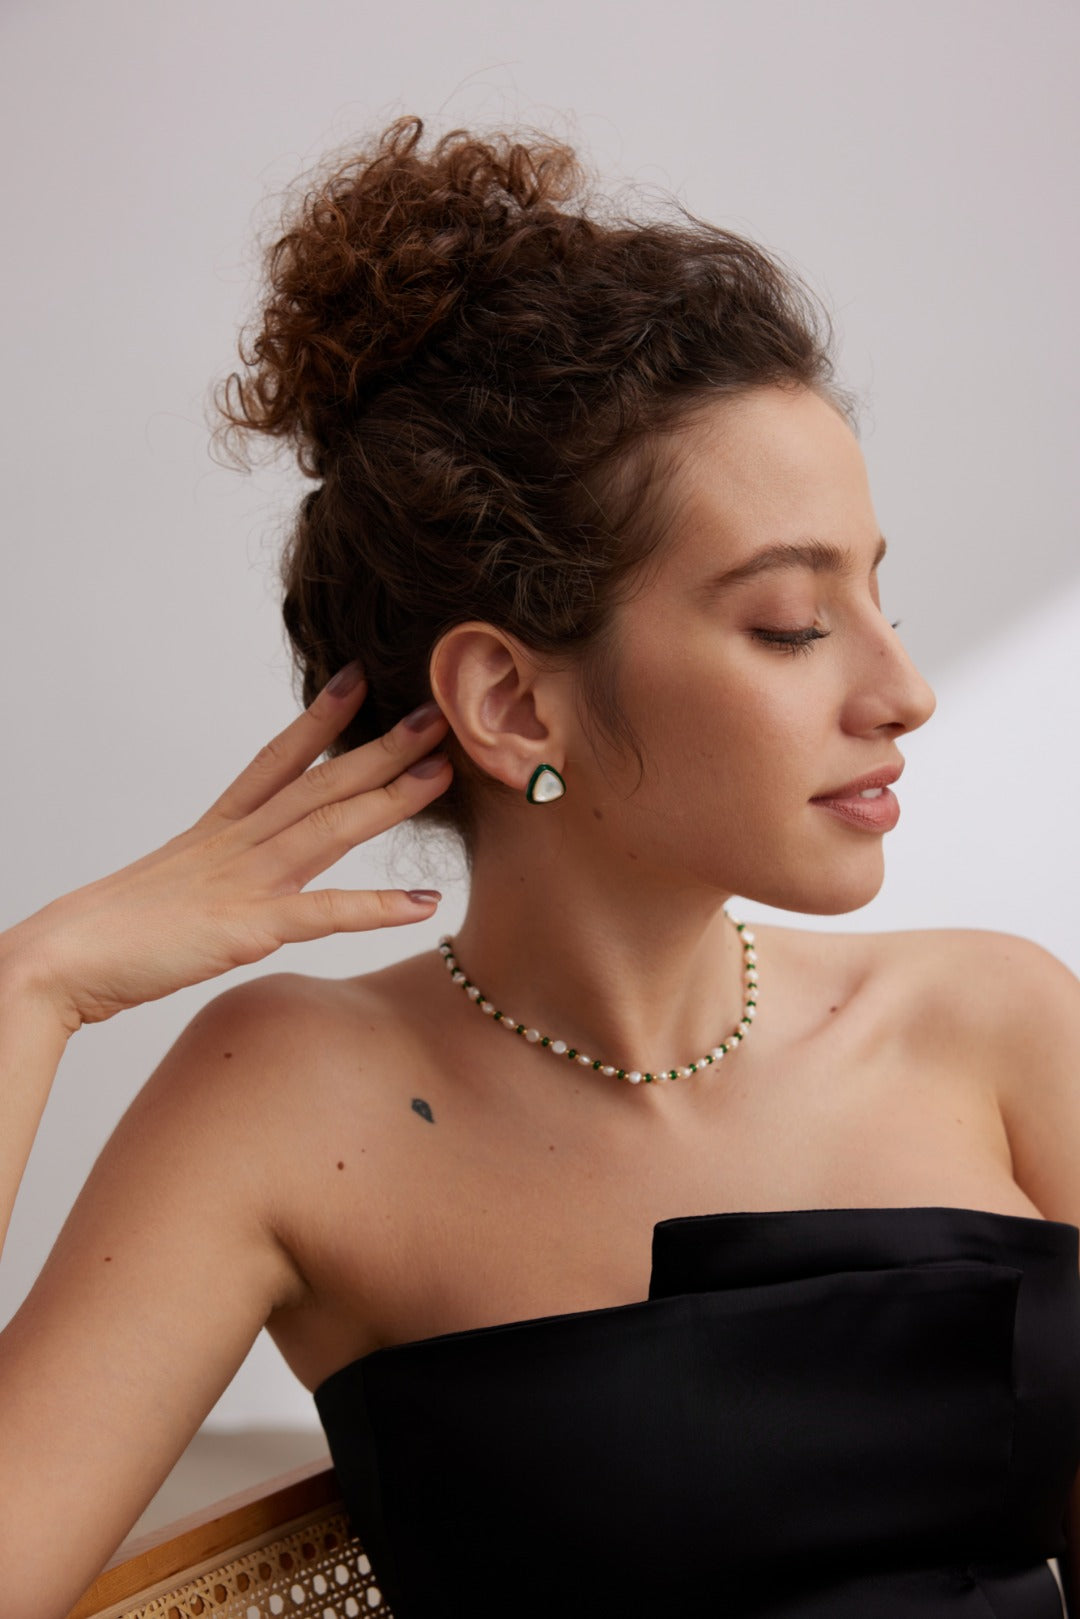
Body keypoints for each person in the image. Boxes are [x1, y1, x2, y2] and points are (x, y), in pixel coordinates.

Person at [0, 114, 1078, 1619]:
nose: (904, 691)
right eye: (788, 621)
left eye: (881, 596)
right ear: (513, 702)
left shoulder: (1002, 1026)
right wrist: (30, 987)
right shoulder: (286, 1103)